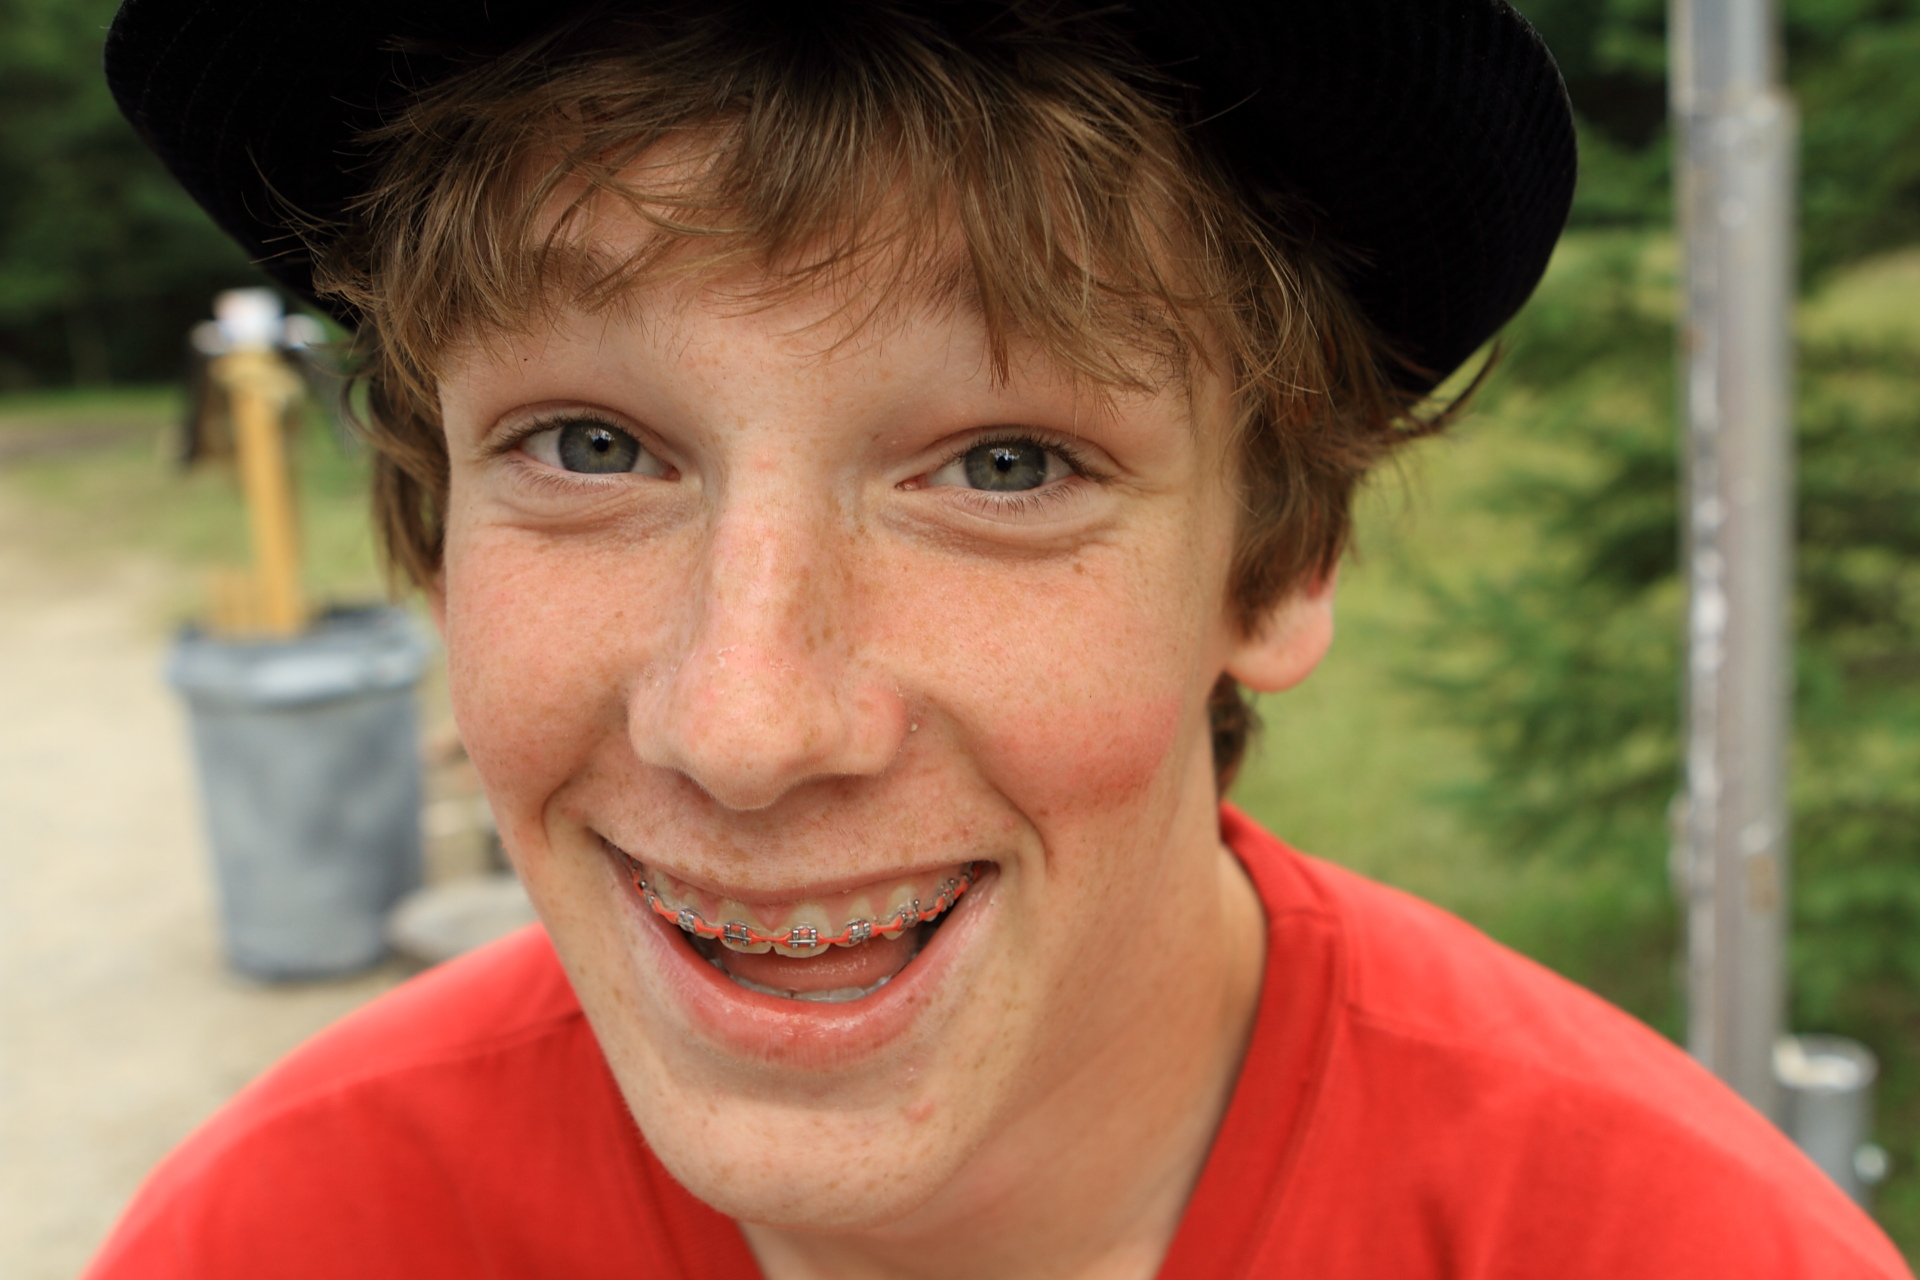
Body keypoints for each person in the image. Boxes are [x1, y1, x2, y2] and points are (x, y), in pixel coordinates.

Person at [89, 1, 1909, 1276]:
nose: (745, 725)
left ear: (1275, 566)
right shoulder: (275, 1240)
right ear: (436, 528)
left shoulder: (1678, 1247)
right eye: (588, 448)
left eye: (1005, 466)